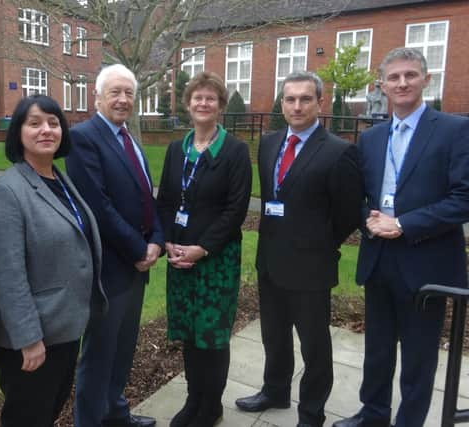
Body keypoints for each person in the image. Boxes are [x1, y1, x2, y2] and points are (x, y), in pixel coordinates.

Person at [333, 48, 469, 427]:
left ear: (426, 80)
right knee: (376, 350)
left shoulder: (455, 130)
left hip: (427, 263)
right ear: (382, 86)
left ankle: (409, 421)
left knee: (418, 357)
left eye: (410, 75)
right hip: (379, 259)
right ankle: (373, 413)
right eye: (393, 78)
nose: (402, 83)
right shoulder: (372, 138)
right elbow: (357, 196)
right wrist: (369, 220)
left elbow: (464, 199)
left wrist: (404, 223)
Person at [235, 71, 362, 427]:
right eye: (290, 99)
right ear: (282, 102)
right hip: (271, 262)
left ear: (320, 102)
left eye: (305, 99)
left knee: (314, 347)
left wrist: (319, 243)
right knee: (273, 336)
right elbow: (274, 197)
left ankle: (311, 413)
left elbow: (349, 212)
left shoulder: (340, 151)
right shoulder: (271, 142)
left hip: (311, 267)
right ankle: (274, 390)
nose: (297, 106)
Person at [0, 95, 107, 427]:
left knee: (46, 414)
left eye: (53, 122)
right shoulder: (8, 192)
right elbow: (7, 274)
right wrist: (28, 339)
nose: (46, 130)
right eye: (34, 123)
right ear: (18, 133)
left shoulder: (61, 181)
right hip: (33, 340)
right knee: (27, 419)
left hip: (64, 329)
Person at [66, 63, 164, 427]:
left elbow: (145, 198)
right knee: (99, 355)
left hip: (136, 269)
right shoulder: (84, 137)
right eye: (115, 92)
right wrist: (139, 250)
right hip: (109, 269)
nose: (123, 100)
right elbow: (98, 206)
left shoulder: (128, 137)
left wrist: (156, 239)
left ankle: (116, 414)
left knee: (123, 350)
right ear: (97, 97)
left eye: (129, 94)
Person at [156, 71, 252, 427]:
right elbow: (165, 200)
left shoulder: (235, 151)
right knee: (189, 334)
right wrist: (167, 241)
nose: (203, 103)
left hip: (215, 260)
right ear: (188, 103)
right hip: (179, 256)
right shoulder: (175, 150)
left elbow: (235, 210)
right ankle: (193, 399)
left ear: (220, 106)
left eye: (210, 98)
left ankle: (211, 406)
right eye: (197, 97)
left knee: (211, 336)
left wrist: (202, 248)